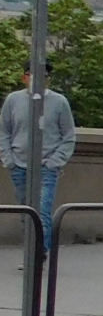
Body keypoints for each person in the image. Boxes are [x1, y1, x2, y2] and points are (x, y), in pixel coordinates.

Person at [2, 78, 76, 248]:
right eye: (31, 75)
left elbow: (69, 136)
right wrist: (9, 160)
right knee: (25, 213)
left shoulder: (59, 102)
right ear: (24, 77)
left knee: (42, 212)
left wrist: (54, 162)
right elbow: (4, 131)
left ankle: (39, 254)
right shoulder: (13, 100)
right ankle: (30, 252)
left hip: (46, 167)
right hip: (19, 165)